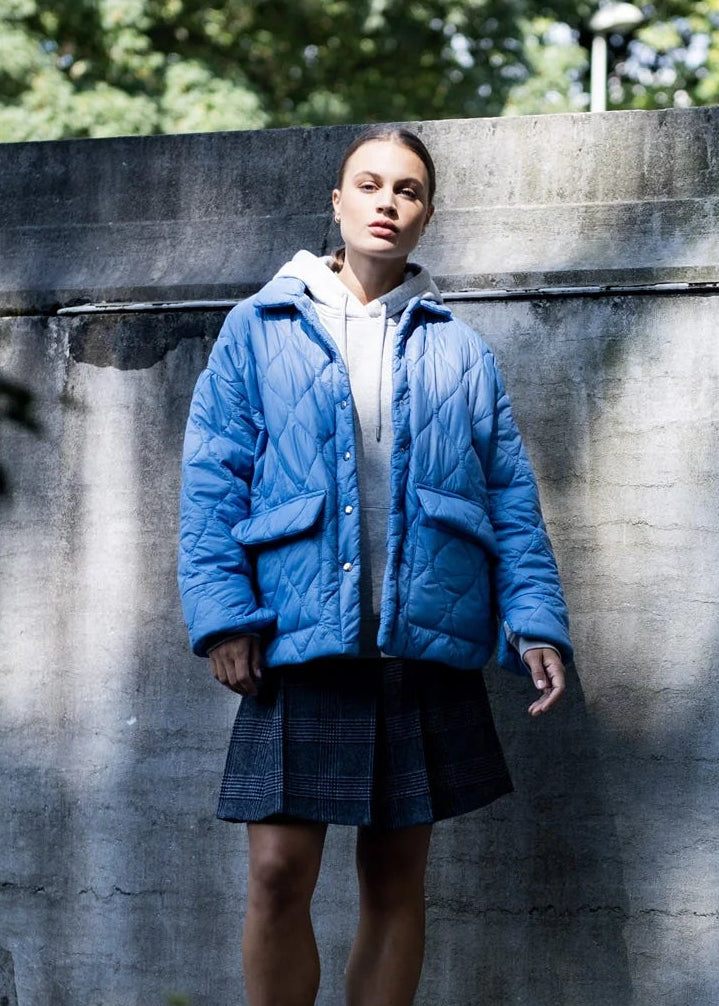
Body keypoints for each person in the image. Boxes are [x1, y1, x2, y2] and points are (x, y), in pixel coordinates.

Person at [178, 125, 572, 1006]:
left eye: (407, 190)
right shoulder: (259, 327)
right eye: (368, 184)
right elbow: (211, 479)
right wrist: (224, 616)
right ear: (337, 201)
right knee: (277, 873)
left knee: (395, 880)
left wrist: (535, 620)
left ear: (426, 215)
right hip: (297, 637)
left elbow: (509, 495)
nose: (386, 202)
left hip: (419, 642)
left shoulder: (460, 349)